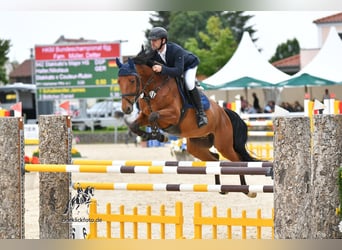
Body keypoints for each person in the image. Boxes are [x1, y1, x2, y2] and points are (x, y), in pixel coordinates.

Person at [147, 27, 208, 128]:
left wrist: (162, 69)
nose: (152, 43)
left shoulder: (176, 50)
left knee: (189, 84)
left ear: (163, 40)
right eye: (151, 41)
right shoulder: (153, 53)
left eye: (155, 40)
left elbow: (179, 71)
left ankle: (201, 114)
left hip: (188, 66)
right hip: (173, 68)